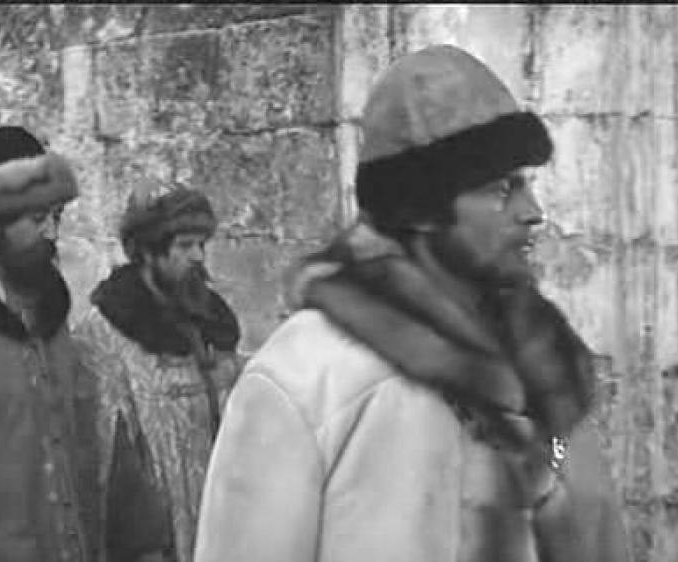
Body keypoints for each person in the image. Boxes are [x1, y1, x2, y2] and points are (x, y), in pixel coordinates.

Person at [194, 45, 631, 562]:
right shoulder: (306, 377)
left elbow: (596, 529)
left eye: (526, 184)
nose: (533, 212)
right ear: (419, 209)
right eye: (501, 189)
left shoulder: (544, 366)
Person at [0, 125, 170, 562]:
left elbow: (91, 442)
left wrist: (141, 541)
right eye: (38, 218)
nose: (53, 233)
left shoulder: (50, 319)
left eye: (57, 216)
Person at [74, 181, 241, 562]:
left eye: (202, 244)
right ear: (148, 250)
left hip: (218, 521)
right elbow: (107, 458)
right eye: (185, 245)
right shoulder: (104, 333)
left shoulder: (209, 323)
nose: (198, 256)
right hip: (151, 537)